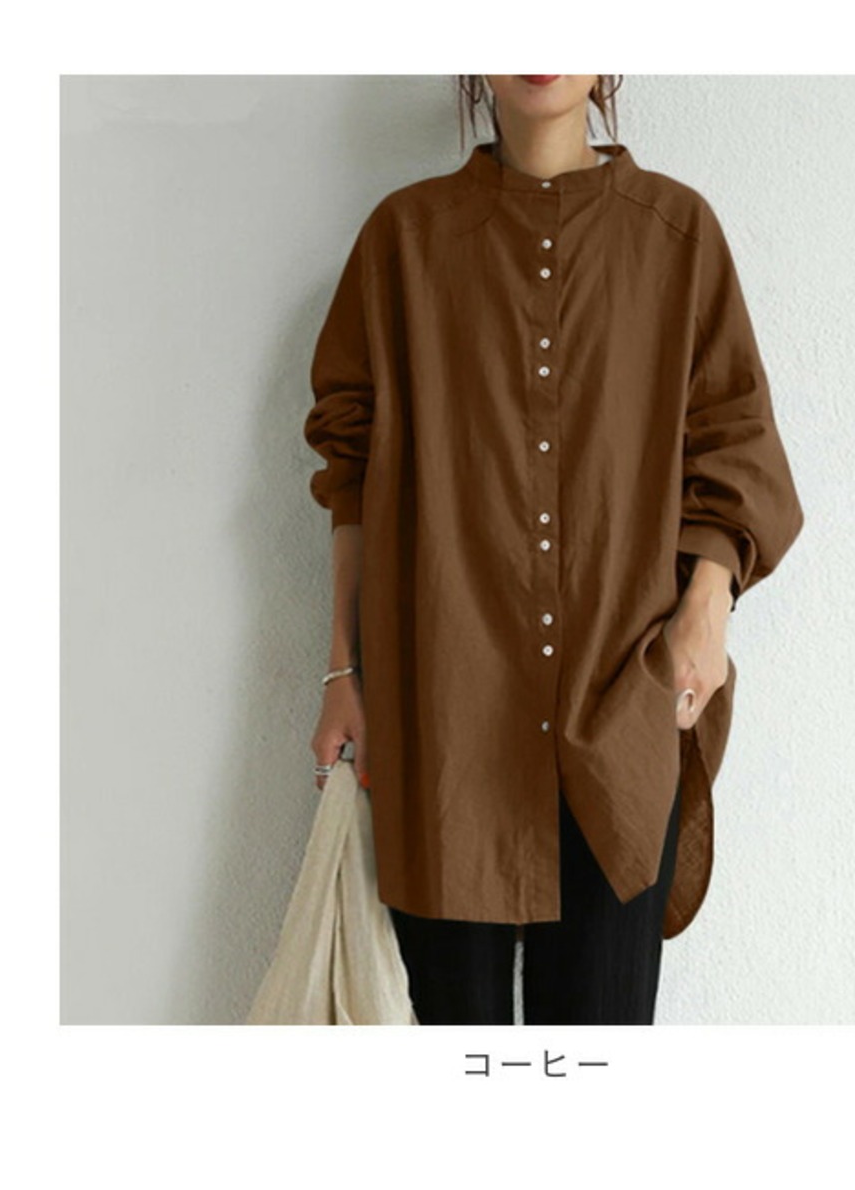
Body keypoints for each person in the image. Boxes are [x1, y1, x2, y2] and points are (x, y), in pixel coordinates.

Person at [302, 75, 805, 1025]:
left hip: (621, 713)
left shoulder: (677, 235)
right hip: (442, 721)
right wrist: (342, 669)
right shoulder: (402, 242)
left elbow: (734, 440)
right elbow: (352, 475)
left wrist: (706, 612)